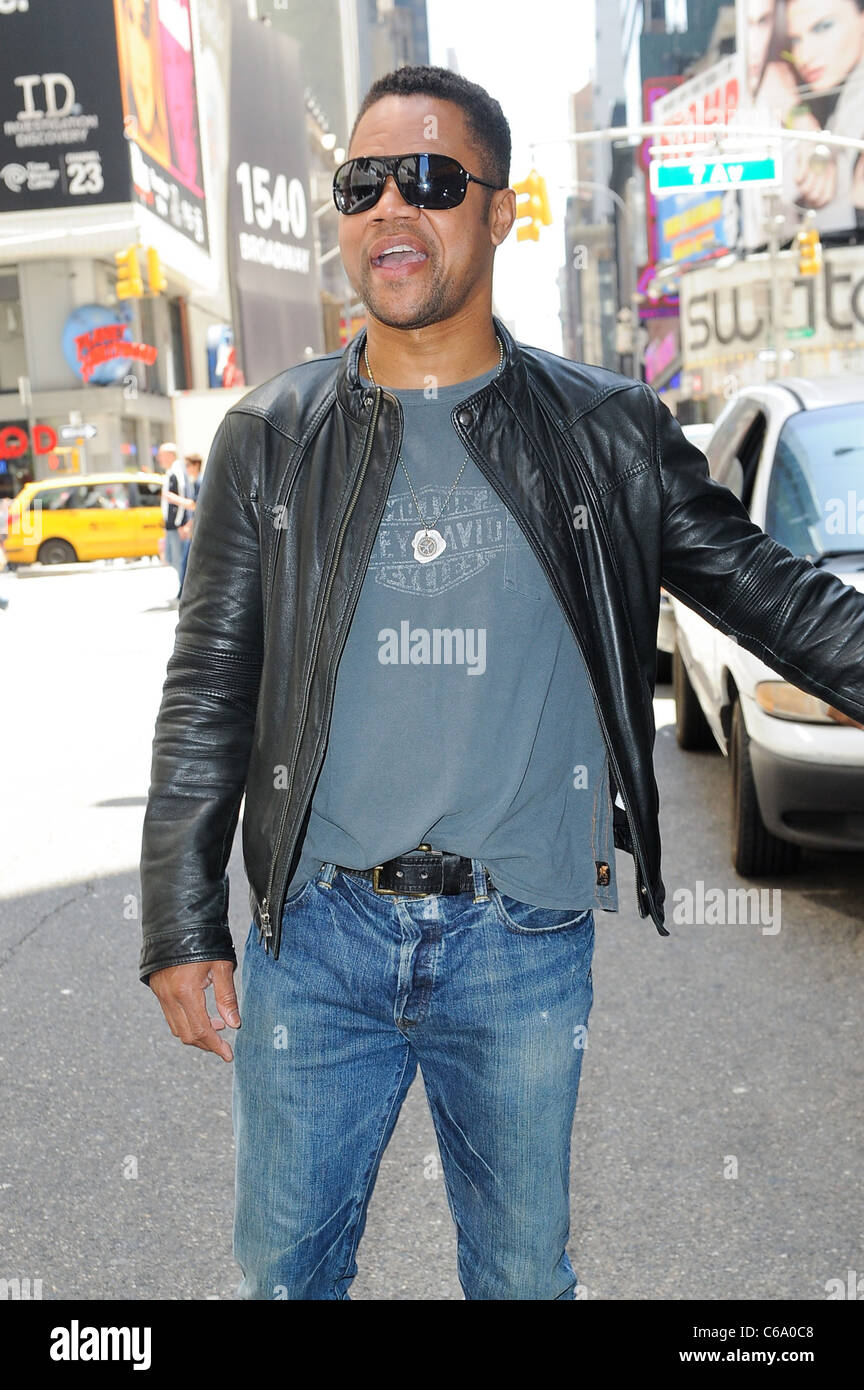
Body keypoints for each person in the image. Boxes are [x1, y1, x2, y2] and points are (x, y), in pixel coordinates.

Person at [139, 65, 864, 1301]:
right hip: (314, 935)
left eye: (430, 179)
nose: (390, 210)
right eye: (362, 183)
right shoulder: (270, 433)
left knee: (524, 1281)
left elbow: (772, 596)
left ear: (503, 212)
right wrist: (179, 918)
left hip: (519, 938)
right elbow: (210, 683)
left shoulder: (605, 431)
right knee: (283, 1277)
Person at [159, 446, 193, 600]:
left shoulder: (177, 472)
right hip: (170, 525)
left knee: (179, 559)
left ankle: (184, 592)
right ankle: (183, 590)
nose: (159, 459)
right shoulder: (171, 472)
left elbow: (183, 494)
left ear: (171, 455)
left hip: (176, 525)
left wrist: (181, 523)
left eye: (162, 455)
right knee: (171, 557)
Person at [176, 453, 202, 592]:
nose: (186, 468)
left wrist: (175, 499)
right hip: (195, 529)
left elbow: (197, 506)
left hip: (199, 531)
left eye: (188, 465)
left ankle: (183, 594)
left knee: (187, 564)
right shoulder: (196, 481)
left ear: (196, 465)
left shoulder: (200, 482)